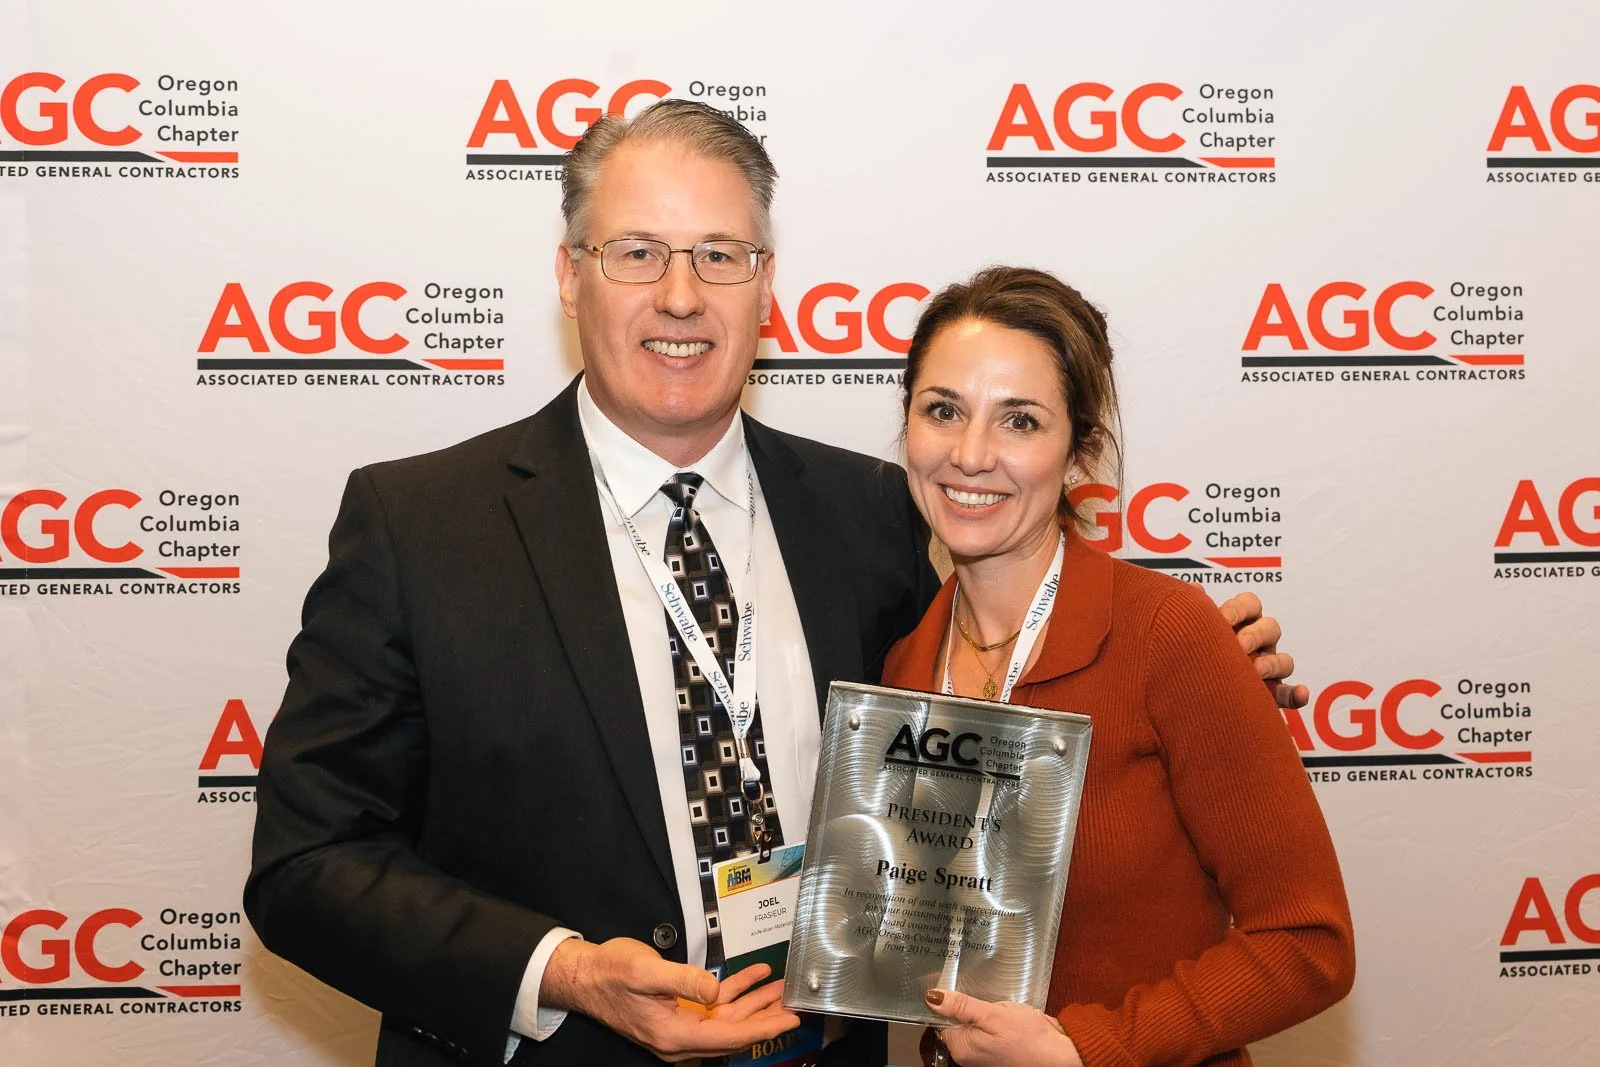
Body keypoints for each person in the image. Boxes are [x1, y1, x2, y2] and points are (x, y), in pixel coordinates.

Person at [243, 102, 1306, 1067]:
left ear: (765, 285)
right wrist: (564, 969)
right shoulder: (420, 524)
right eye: (636, 252)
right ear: (569, 275)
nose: (679, 294)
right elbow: (307, 863)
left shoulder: (875, 512)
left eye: (719, 253)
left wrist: (1202, 665)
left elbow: (992, 684)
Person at [876, 267, 1355, 1067]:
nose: (969, 453)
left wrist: (1089, 1051)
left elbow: (1310, 940)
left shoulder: (1168, 635)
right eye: (943, 410)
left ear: (1079, 454)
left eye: (1020, 420)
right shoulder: (903, 672)